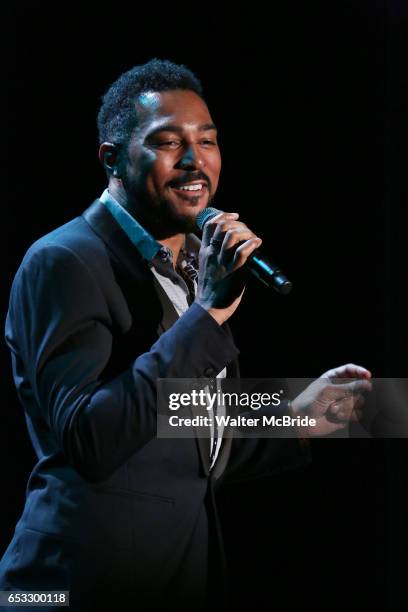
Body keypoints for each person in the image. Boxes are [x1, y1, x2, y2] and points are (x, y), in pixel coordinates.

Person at [0, 59, 372, 612]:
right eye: (169, 142)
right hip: (77, 583)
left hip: (176, 571)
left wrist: (297, 419)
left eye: (208, 141)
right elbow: (91, 439)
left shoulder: (195, 266)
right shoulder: (65, 261)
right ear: (113, 159)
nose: (195, 161)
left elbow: (182, 426)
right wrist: (208, 314)